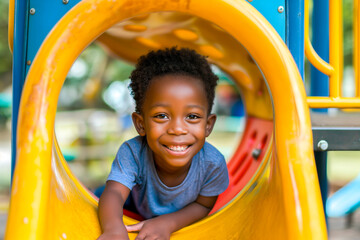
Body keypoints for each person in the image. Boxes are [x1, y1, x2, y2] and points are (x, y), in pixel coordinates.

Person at [97, 47, 229, 240]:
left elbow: (203, 205)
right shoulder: (133, 152)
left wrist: (168, 222)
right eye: (161, 116)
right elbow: (115, 193)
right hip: (130, 204)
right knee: (101, 196)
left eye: (192, 116)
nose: (177, 129)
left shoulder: (212, 164)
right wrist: (113, 229)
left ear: (208, 125)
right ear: (140, 124)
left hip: (172, 212)